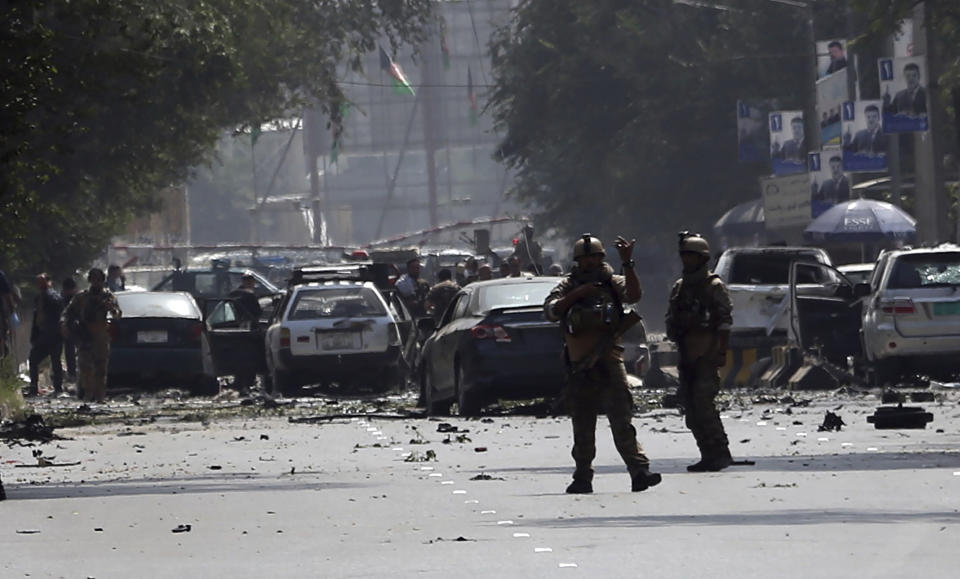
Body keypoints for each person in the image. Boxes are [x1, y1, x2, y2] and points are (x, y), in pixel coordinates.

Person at [544, 234, 662, 494]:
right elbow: (551, 310)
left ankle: (639, 471)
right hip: (579, 367)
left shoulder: (612, 283)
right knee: (583, 425)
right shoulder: (567, 285)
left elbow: (634, 295)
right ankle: (583, 476)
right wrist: (577, 295)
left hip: (609, 361)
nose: (589, 263)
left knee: (622, 421)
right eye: (584, 259)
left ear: (601, 259)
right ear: (577, 261)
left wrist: (628, 263)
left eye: (594, 258)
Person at [665, 233, 734, 472]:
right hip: (687, 354)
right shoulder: (679, 287)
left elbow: (724, 322)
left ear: (702, 258)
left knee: (704, 405)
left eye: (691, 256)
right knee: (691, 410)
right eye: (684, 256)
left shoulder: (714, 287)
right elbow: (671, 319)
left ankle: (720, 451)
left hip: (707, 353)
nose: (686, 261)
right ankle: (707, 453)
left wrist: (720, 351)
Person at [61, 268, 122, 402]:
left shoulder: (108, 296)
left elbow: (117, 315)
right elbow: (67, 312)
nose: (96, 282)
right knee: (85, 367)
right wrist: (65, 324)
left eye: (99, 279)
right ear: (89, 280)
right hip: (85, 334)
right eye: (93, 279)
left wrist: (111, 308)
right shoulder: (81, 297)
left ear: (102, 280)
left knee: (101, 367)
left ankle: (99, 395)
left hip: (101, 335)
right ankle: (88, 393)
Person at [28, 274, 65, 397]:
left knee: (56, 361)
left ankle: (58, 387)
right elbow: (36, 317)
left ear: (49, 282)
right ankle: (33, 386)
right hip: (42, 334)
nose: (41, 285)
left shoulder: (53, 296)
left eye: (43, 282)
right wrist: (34, 335)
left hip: (54, 334)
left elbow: (59, 308)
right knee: (33, 359)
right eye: (39, 282)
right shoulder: (38, 298)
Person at [226, 273, 262, 393]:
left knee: (238, 357)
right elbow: (257, 312)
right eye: (250, 282)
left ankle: (239, 382)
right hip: (249, 331)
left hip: (231, 329)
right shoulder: (250, 295)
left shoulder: (233, 294)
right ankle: (247, 382)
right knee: (250, 358)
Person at [60, 277, 79, 382]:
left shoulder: (78, 298)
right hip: (67, 327)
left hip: (78, 327)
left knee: (81, 350)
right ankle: (72, 373)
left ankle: (77, 372)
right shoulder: (62, 299)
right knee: (69, 351)